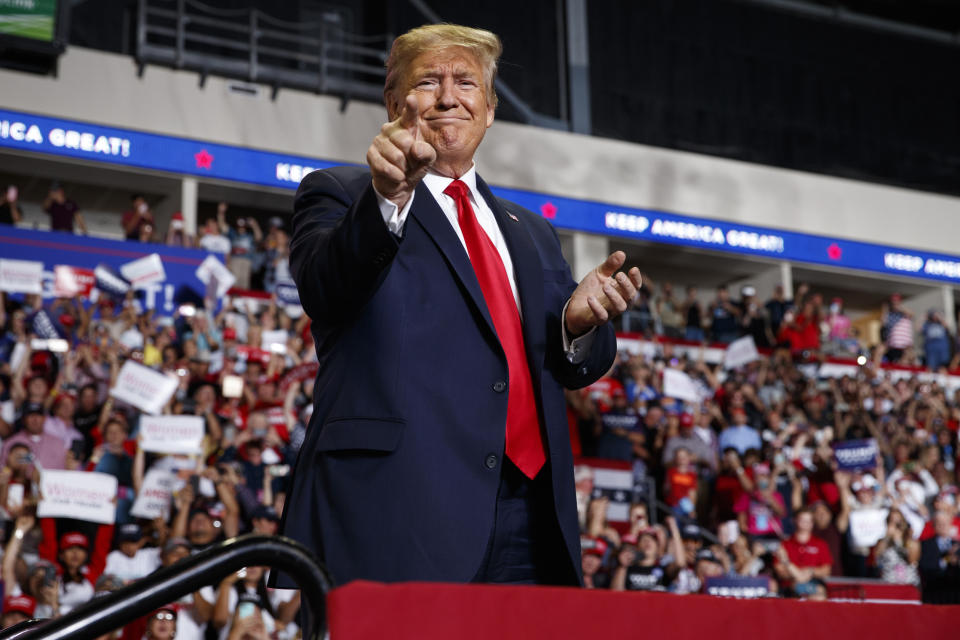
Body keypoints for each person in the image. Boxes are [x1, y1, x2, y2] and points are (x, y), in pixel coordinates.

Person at [277, 23, 643, 587]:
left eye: (466, 83)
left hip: (531, 518)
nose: (449, 96)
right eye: (429, 81)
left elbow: (577, 368)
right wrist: (388, 199)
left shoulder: (532, 232)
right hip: (397, 510)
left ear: (490, 109)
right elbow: (326, 289)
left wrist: (574, 325)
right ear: (395, 104)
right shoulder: (342, 193)